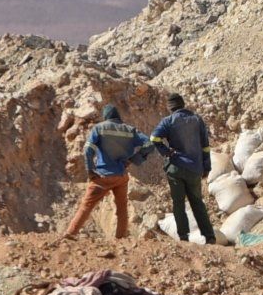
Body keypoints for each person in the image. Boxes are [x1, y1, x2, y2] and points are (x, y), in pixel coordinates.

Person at [60, 105, 153, 241]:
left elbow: (87, 150)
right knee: (122, 208)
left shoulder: (99, 128)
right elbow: (150, 144)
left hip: (102, 176)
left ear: (106, 116)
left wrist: (90, 170)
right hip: (121, 176)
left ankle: (70, 233)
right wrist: (134, 159)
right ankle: (120, 238)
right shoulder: (129, 130)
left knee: (87, 205)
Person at [149, 93, 216, 243]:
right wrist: (207, 167)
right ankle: (209, 236)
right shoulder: (197, 120)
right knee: (197, 202)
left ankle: (184, 237)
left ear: (170, 107)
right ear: (183, 104)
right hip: (195, 169)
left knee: (178, 203)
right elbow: (205, 146)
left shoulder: (168, 121)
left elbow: (154, 138)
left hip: (176, 168)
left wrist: (167, 152)